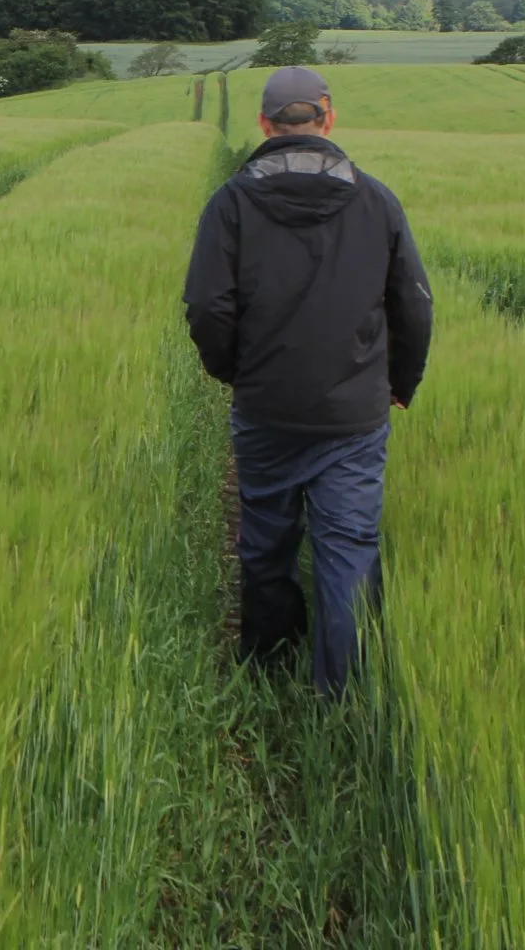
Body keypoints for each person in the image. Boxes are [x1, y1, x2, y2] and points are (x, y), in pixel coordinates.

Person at [182, 66, 432, 696]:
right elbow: (414, 306)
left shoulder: (232, 202)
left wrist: (234, 373)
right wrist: (399, 382)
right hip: (354, 413)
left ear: (265, 124)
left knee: (266, 539)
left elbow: (208, 307)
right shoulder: (376, 200)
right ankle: (339, 694)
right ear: (328, 117)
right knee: (348, 546)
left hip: (267, 406)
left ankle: (267, 670)